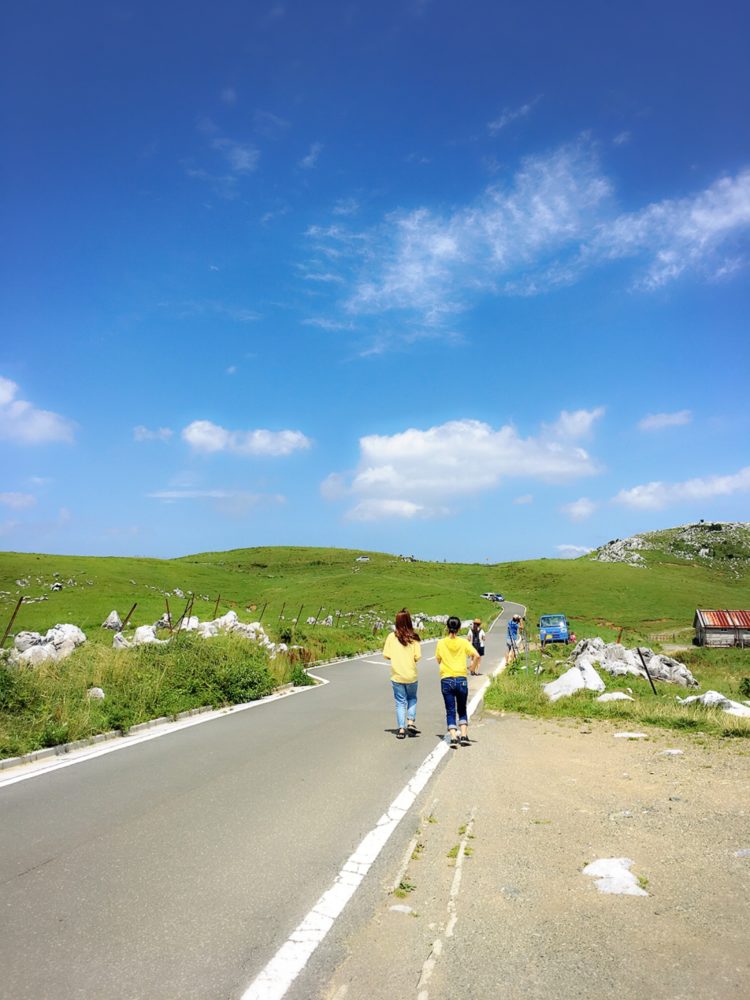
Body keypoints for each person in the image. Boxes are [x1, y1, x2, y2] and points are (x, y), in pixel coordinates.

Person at [436, 616, 479, 747]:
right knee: (462, 708)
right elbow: (476, 655)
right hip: (461, 678)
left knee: (450, 709)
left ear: (447, 627)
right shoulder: (464, 642)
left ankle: (454, 737)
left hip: (446, 679)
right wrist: (472, 668)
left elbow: (438, 659)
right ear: (459, 628)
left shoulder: (441, 643)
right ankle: (464, 735)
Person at [382, 608, 422, 740]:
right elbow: (418, 657)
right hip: (411, 675)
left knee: (400, 702)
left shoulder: (391, 637)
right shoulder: (414, 637)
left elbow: (386, 655)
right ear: (409, 621)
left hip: (397, 675)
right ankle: (410, 722)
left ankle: (401, 728)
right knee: (412, 698)